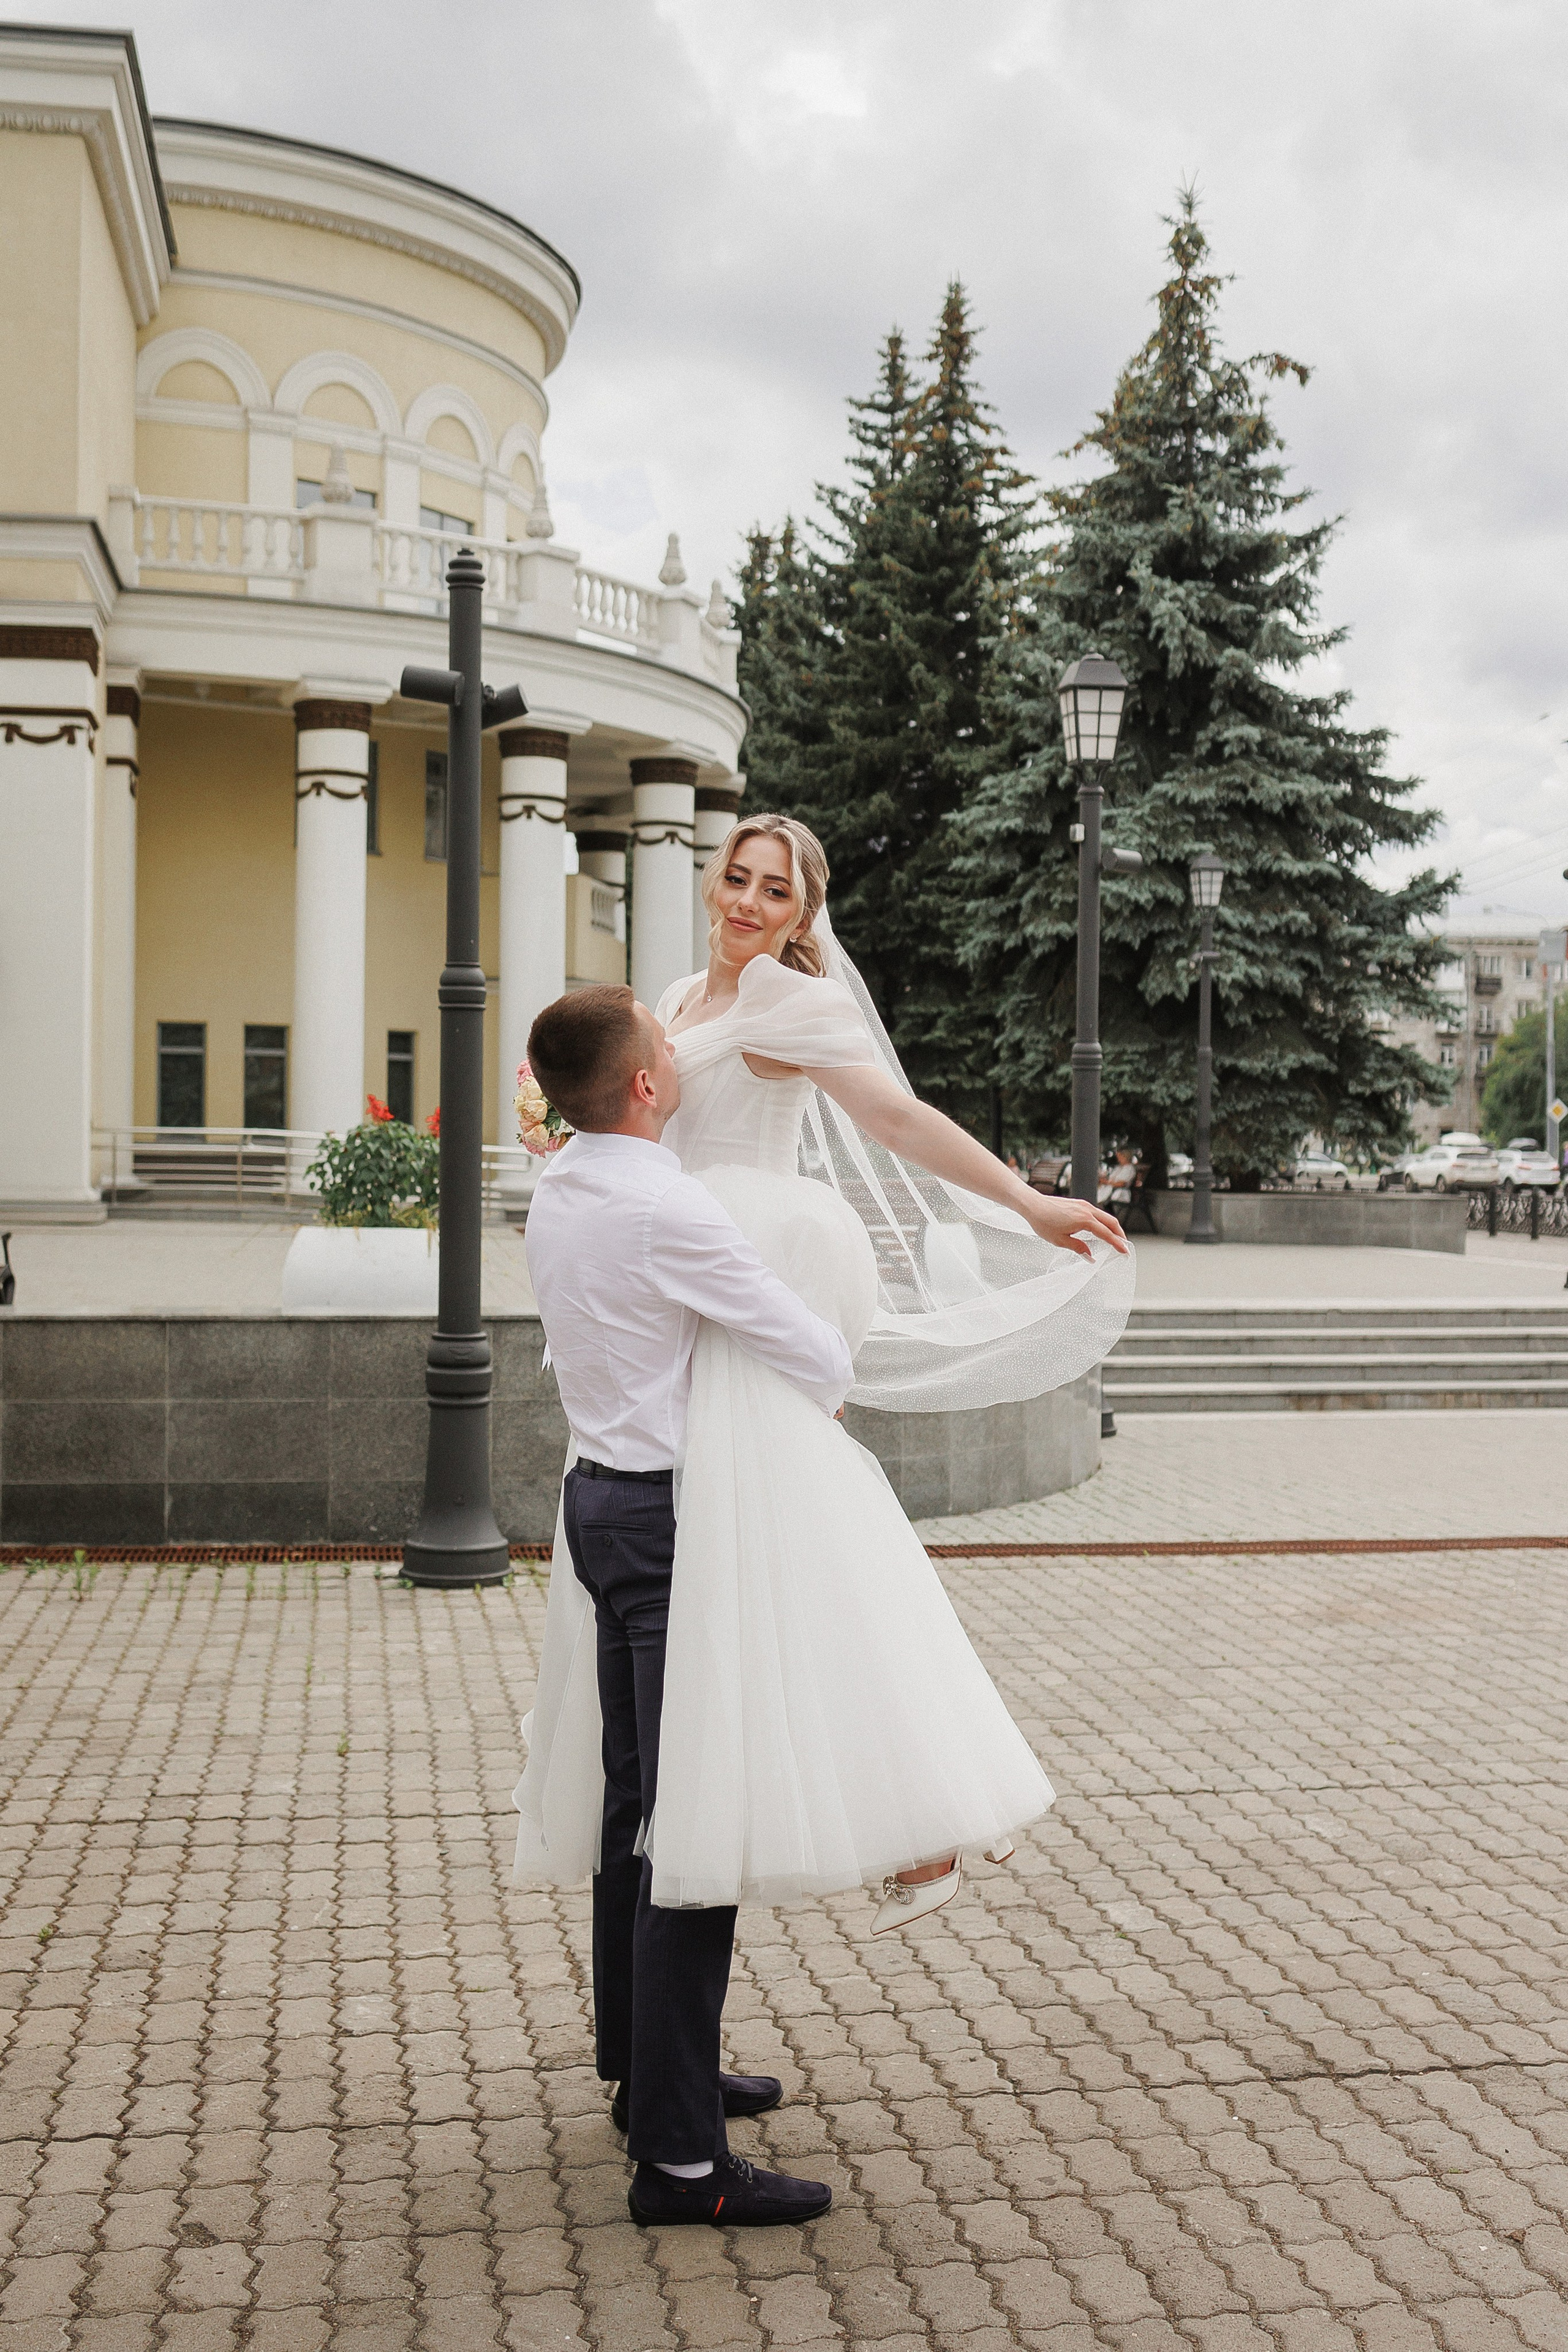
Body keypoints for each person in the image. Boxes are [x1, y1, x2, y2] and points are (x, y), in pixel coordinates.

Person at [516, 813, 1133, 1921]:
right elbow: (635, 1121)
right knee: (714, 1581)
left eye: (777, 892)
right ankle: (691, 1832)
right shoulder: (676, 998)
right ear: (713, 881)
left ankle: (899, 1808)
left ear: (806, 913)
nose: (749, 904)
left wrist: (1031, 1203)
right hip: (673, 1284)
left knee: (792, 1555)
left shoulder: (789, 1003)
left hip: (738, 1279)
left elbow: (896, 1118)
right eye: (738, 879)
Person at [521, 983, 852, 2228]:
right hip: (666, 1526)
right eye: (667, 1048)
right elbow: (807, 1345)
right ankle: (678, 2162)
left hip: (595, 1507)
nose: (681, 1054)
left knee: (633, 1809)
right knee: (690, 1829)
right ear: (649, 1086)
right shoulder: (670, 1205)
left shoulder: (558, 1187)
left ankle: (648, 2073)